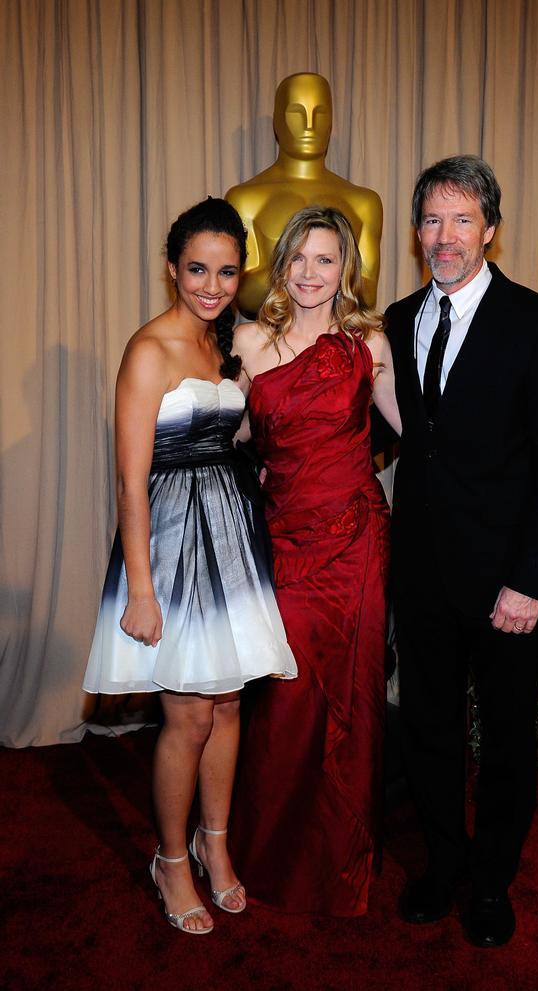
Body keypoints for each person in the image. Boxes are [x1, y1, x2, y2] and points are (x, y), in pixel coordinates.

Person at [385, 156, 538, 947]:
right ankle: (443, 862)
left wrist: (530, 580)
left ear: (490, 232)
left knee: (505, 738)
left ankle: (494, 880)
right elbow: (394, 434)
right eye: (432, 220)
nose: (445, 236)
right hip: (424, 574)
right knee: (430, 728)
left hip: (509, 583)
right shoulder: (398, 321)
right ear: (417, 232)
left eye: (462, 220)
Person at [83, 197, 297, 935]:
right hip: (171, 547)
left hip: (231, 536)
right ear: (172, 268)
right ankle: (171, 858)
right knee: (187, 712)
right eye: (197, 268)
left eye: (226, 271)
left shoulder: (225, 343)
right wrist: (140, 589)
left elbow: (236, 436)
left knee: (230, 703)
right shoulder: (149, 350)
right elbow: (129, 480)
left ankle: (217, 845)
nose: (211, 283)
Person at [228, 205, 401, 916]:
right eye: (297, 258)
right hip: (286, 542)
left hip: (358, 542)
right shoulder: (247, 340)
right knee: (285, 696)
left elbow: (416, 432)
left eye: (324, 259)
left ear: (346, 269)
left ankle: (341, 857)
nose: (308, 273)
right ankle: (269, 852)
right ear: (280, 265)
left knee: (355, 699)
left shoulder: (370, 342)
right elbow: (225, 436)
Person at [225, 72, 382, 316]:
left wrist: (287, 276)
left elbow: (368, 294)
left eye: (320, 113)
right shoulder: (245, 199)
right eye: (296, 113)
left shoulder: (363, 202)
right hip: (269, 344)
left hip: (339, 343)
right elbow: (245, 294)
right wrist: (326, 273)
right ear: (277, 121)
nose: (309, 124)